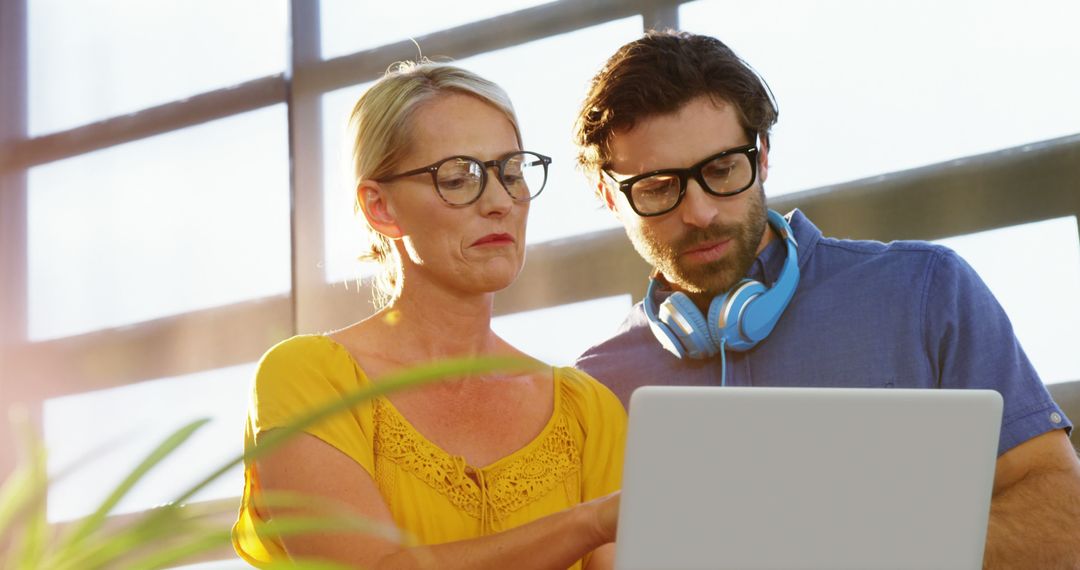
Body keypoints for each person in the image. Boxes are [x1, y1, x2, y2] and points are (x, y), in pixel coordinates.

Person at [572, 31, 1080, 567]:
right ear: (609, 196)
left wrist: (849, 541)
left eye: (722, 170)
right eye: (657, 188)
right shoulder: (591, 390)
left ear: (762, 155)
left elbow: (1063, 520)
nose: (699, 212)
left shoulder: (924, 291)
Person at [232, 62, 625, 569]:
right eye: (459, 178)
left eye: (510, 172)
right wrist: (588, 522)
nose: (500, 202)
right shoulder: (309, 379)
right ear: (380, 208)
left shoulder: (588, 411)